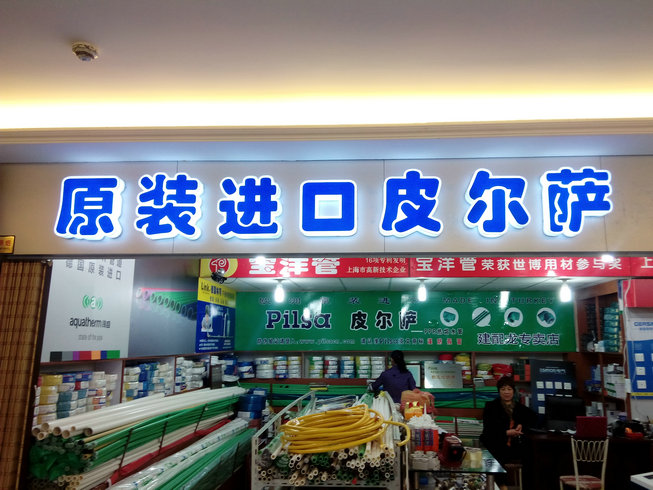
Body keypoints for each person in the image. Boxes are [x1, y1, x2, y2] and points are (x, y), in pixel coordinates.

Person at [480, 375, 537, 490]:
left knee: (531, 453)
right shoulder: (491, 407)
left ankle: (528, 486)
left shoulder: (520, 408)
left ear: (513, 391)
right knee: (496, 453)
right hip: (496, 443)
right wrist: (506, 433)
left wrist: (521, 425)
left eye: (509, 389)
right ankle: (501, 485)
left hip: (514, 445)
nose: (506, 392)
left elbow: (533, 419)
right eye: (503, 389)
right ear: (499, 391)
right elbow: (488, 430)